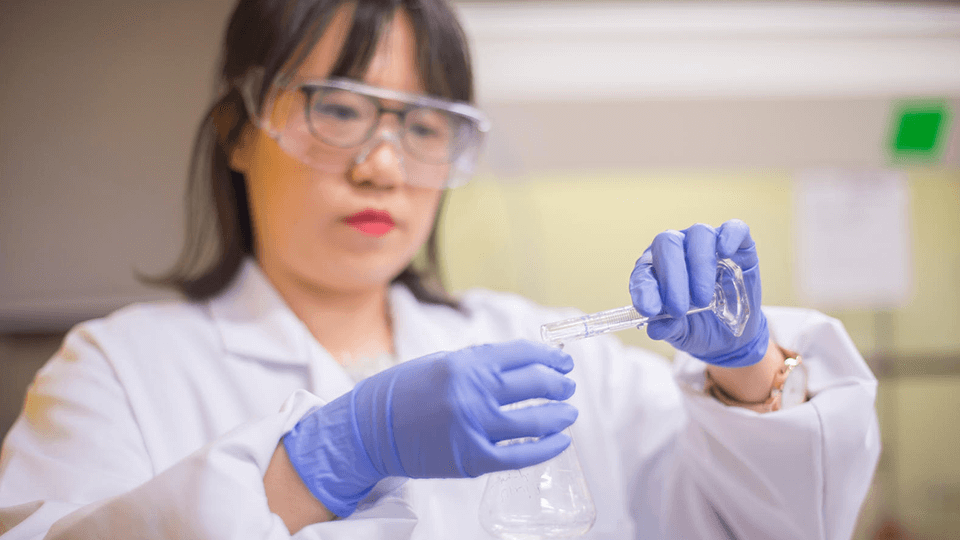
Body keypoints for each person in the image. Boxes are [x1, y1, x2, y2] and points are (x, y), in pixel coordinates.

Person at [0, 0, 879, 538]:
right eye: (337, 109)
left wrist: (747, 371)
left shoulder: (547, 353)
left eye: (422, 127)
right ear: (238, 130)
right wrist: (314, 464)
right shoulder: (118, 371)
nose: (382, 165)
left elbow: (770, 526)